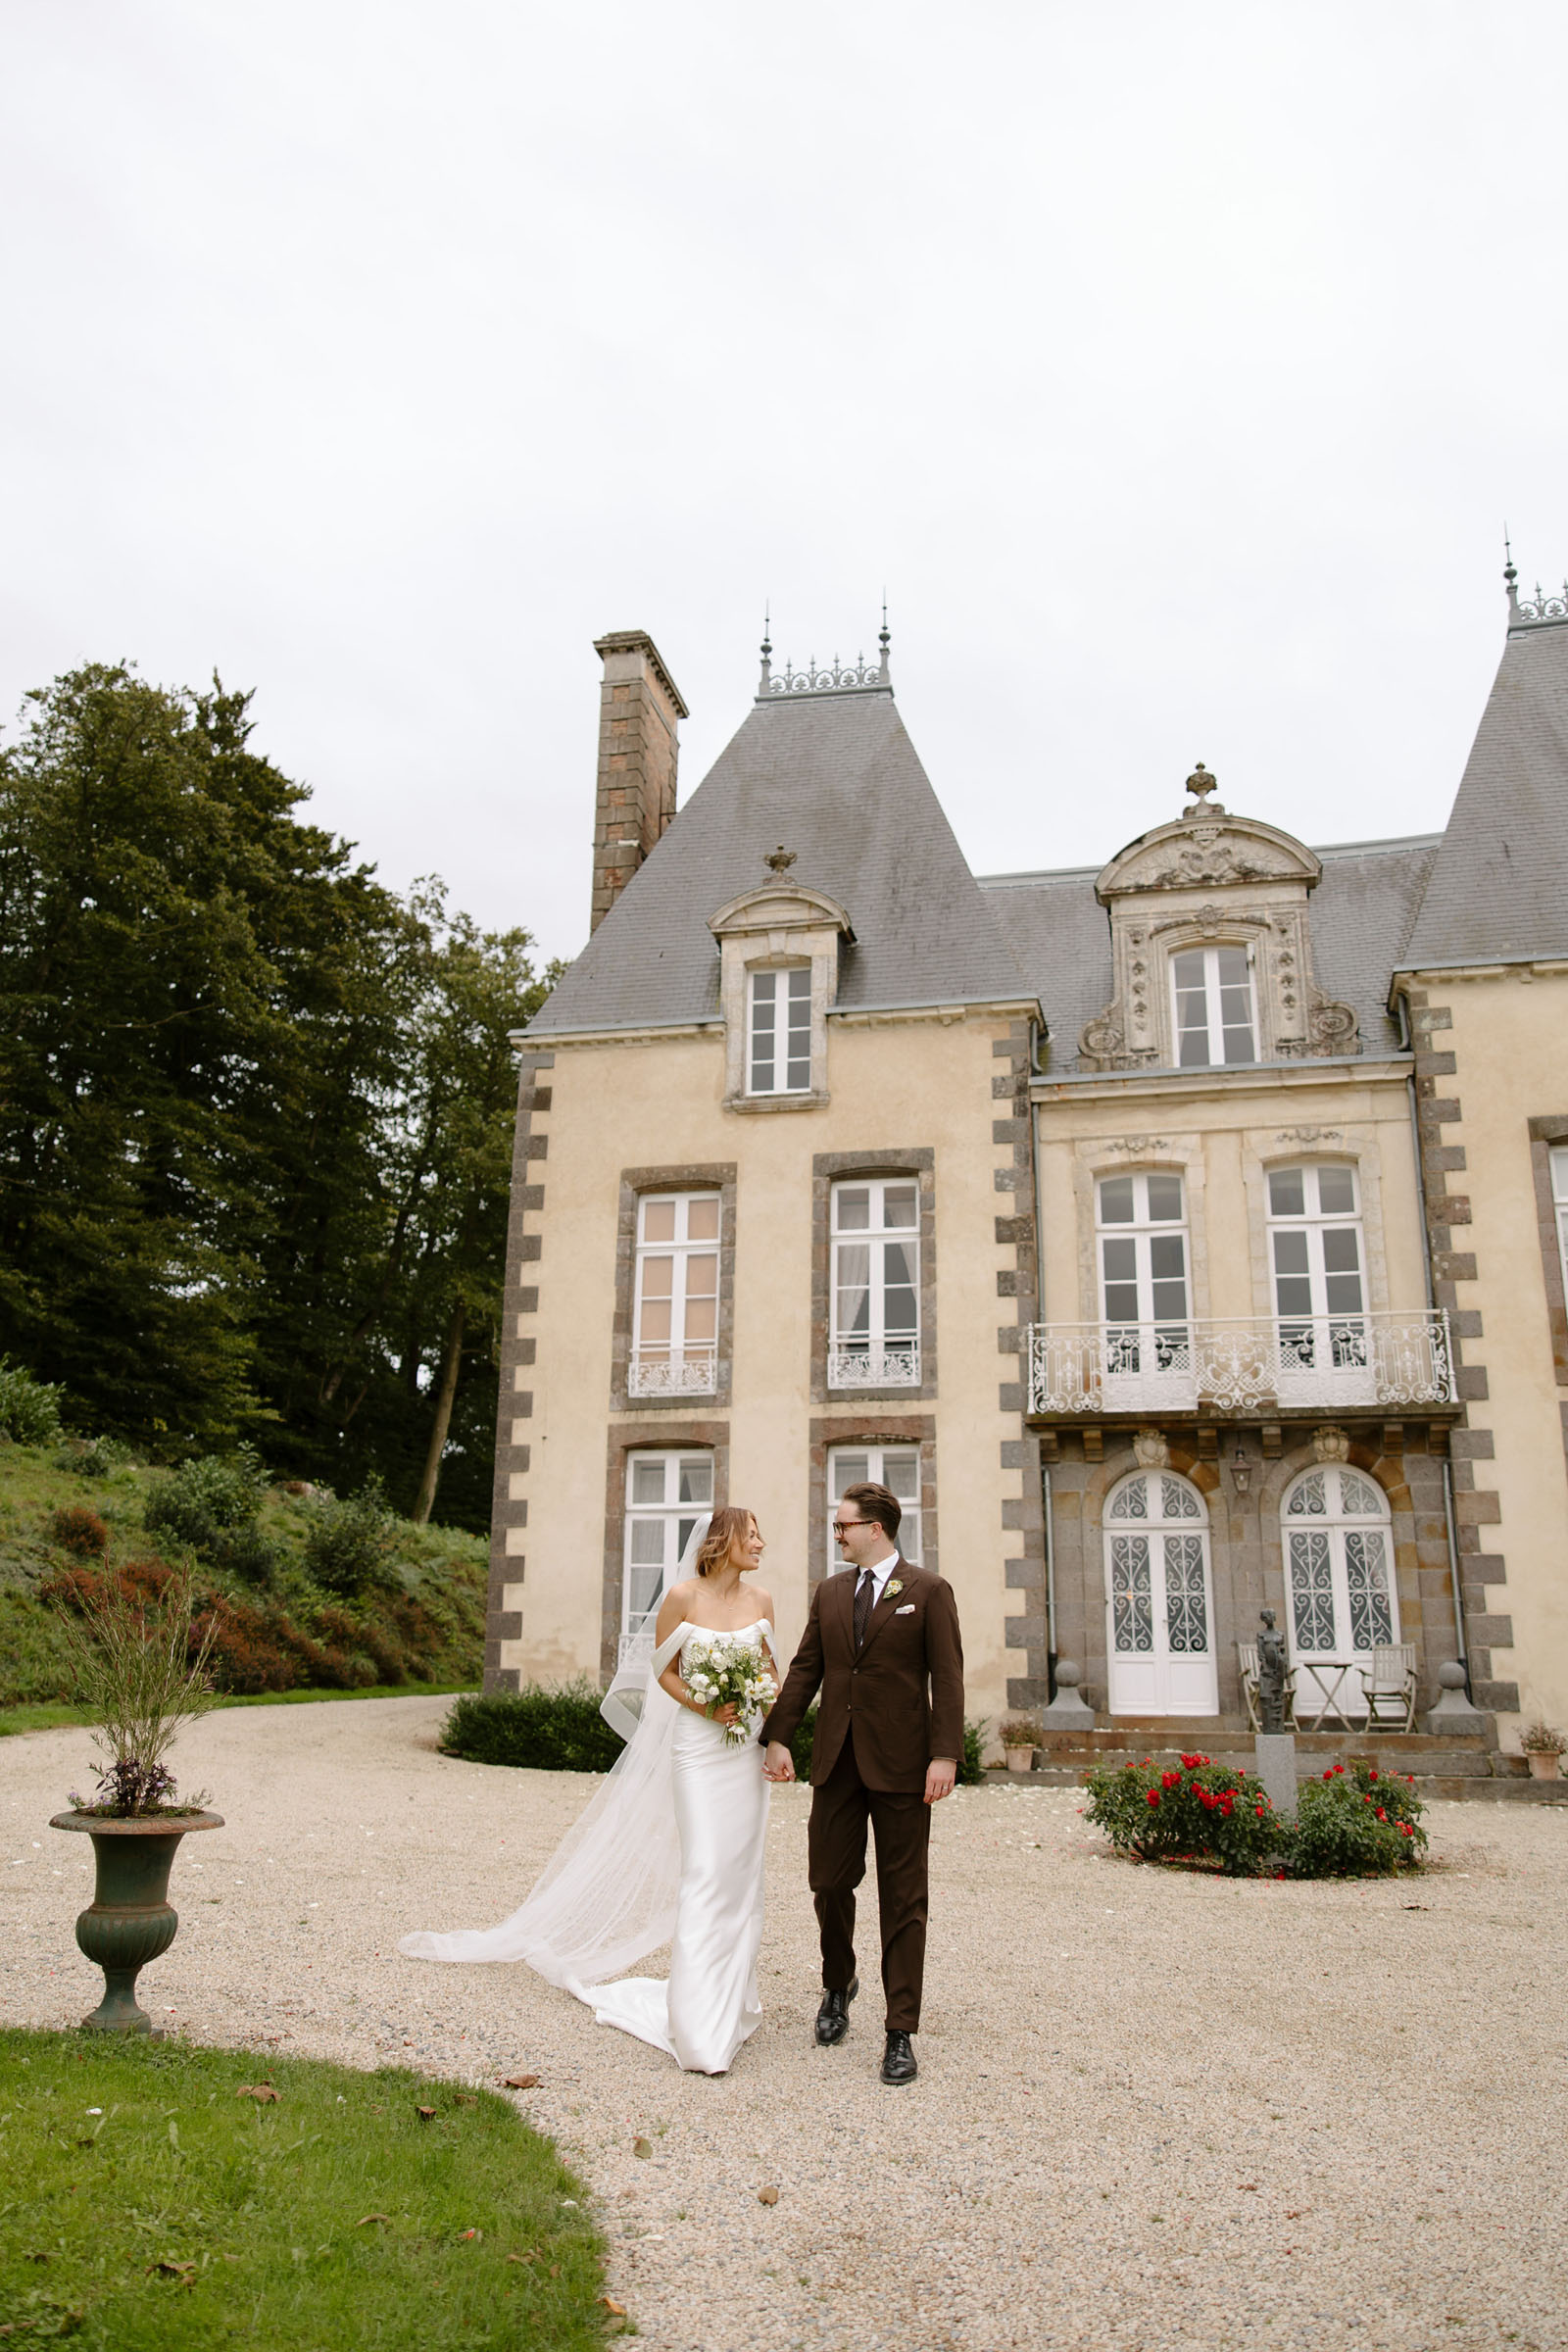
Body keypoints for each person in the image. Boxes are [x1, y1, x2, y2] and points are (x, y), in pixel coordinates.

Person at [400, 1505, 779, 2077]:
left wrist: (768, 1725)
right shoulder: (681, 1597)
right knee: (704, 1871)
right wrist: (706, 1706)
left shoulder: (762, 1601)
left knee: (741, 1875)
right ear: (723, 1541)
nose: (761, 1543)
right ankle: (698, 2025)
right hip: (698, 1751)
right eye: (752, 1535)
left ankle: (732, 2003)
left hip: (744, 1751)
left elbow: (772, 1673)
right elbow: (663, 1672)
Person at [760, 1481, 963, 2086]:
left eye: (843, 1526)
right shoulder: (829, 1592)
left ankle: (900, 2030)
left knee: (903, 1897)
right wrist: (778, 1736)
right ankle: (838, 1982)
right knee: (827, 1880)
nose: (837, 1535)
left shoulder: (928, 1590)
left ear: (875, 1528)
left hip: (904, 1766)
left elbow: (948, 1677)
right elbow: (806, 1669)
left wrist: (945, 1755)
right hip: (837, 1762)